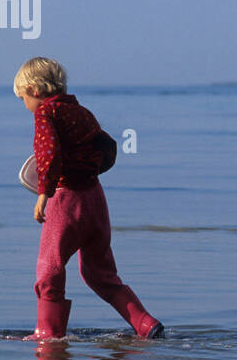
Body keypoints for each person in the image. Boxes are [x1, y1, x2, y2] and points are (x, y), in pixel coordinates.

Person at [14, 57, 163, 340]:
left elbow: (49, 155)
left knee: (50, 268)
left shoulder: (45, 113)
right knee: (100, 274)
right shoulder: (82, 112)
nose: (24, 105)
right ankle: (145, 324)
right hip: (95, 201)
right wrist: (89, 170)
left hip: (65, 202)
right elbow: (107, 147)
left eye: (22, 98)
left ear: (34, 90)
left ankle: (48, 333)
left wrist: (44, 194)